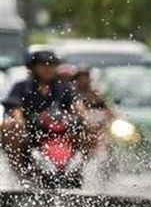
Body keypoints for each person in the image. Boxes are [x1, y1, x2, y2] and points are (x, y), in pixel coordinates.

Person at [0, 50, 99, 179]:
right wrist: (19, 121)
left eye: (51, 65)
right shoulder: (22, 87)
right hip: (32, 130)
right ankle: (19, 168)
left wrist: (86, 119)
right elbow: (15, 107)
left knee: (91, 129)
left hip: (62, 129)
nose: (48, 68)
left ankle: (80, 167)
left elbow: (77, 104)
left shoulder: (64, 87)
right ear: (33, 67)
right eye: (43, 65)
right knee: (9, 127)